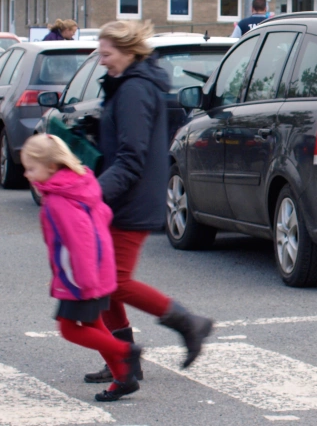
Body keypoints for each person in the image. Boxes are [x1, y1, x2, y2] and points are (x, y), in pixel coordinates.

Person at [82, 20, 213, 384]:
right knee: (102, 281)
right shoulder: (127, 84)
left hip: (130, 199)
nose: (101, 60)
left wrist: (91, 195)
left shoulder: (134, 89)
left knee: (113, 282)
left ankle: (189, 323)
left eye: (106, 54)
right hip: (121, 196)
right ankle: (123, 359)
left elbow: (131, 156)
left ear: (128, 51)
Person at [22, 134, 142, 402]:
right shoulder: (78, 186)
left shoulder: (59, 199)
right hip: (92, 271)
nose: (27, 174)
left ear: (51, 167)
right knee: (93, 323)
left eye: (31, 168)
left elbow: (80, 240)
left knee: (68, 328)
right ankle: (124, 378)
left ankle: (126, 352)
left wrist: (84, 279)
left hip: (81, 277)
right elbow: (103, 215)